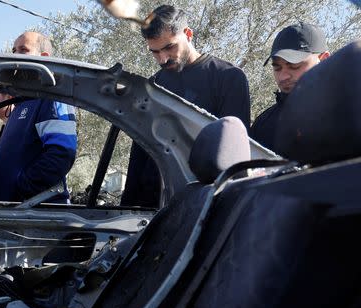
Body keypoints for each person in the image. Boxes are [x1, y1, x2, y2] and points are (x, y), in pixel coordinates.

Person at [121, 5, 251, 207]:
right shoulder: (152, 86)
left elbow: (235, 156)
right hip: (150, 209)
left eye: (169, 47)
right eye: (154, 52)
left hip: (202, 204)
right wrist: (127, 207)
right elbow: (139, 155)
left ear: (188, 34)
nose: (162, 59)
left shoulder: (228, 78)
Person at [0, 32, 77, 203]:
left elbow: (61, 152)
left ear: (44, 58)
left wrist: (22, 188)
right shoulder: (23, 104)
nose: (15, 56)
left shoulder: (51, 99)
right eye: (13, 51)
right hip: (10, 214)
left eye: (23, 50)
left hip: (34, 216)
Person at [250, 22, 330, 153]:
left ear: (324, 59)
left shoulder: (349, 113)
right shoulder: (264, 124)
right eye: (277, 67)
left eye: (294, 66)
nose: (283, 77)